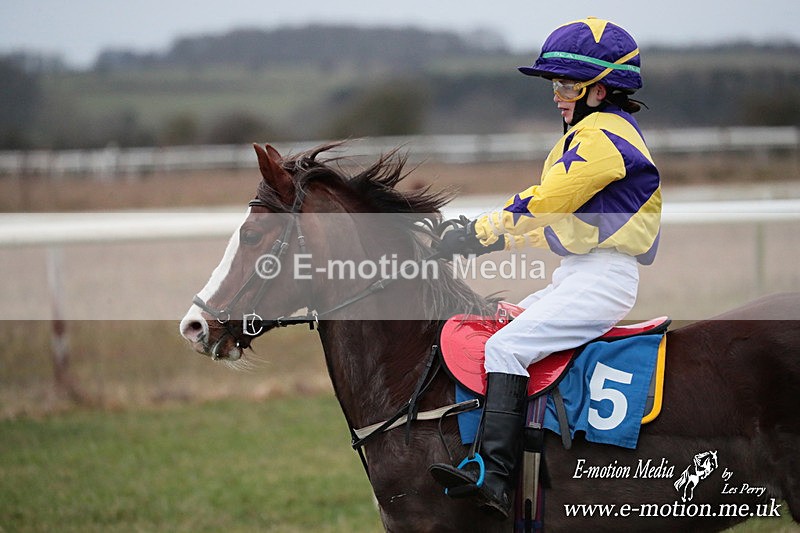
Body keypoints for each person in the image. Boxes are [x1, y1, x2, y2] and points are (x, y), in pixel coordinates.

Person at [428, 17, 662, 519]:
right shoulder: (593, 132)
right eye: (553, 84)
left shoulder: (602, 138)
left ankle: (493, 475)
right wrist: (477, 238)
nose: (556, 95)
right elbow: (549, 220)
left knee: (505, 347)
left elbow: (548, 203)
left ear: (600, 89)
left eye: (566, 84)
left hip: (602, 278)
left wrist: (477, 233)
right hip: (578, 274)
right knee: (505, 325)